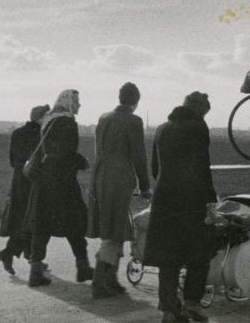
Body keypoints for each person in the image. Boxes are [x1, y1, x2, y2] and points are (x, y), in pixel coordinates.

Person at [143, 91, 216, 323]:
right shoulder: (198, 127)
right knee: (199, 253)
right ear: (200, 109)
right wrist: (210, 201)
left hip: (164, 199)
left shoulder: (162, 128)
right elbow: (203, 167)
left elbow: (156, 168)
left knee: (168, 256)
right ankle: (191, 305)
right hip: (192, 199)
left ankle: (168, 309)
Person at [88, 82, 152, 299]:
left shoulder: (104, 117)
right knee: (114, 230)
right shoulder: (133, 121)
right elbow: (138, 155)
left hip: (100, 176)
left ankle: (110, 279)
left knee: (115, 227)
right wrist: (145, 185)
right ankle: (100, 281)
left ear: (120, 97)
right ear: (136, 101)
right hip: (118, 178)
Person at [23, 89, 92, 287]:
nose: (79, 105)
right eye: (77, 101)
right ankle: (83, 267)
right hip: (62, 183)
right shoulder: (68, 122)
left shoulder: (50, 120)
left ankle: (35, 272)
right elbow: (65, 152)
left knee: (42, 226)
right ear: (68, 102)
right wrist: (82, 161)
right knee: (75, 223)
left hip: (44, 182)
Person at [0, 103, 50, 275]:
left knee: (22, 220)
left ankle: (32, 257)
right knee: (31, 221)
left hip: (18, 181)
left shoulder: (17, 133)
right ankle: (9, 253)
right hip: (33, 182)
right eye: (47, 116)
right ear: (41, 118)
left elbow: (12, 161)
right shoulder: (42, 135)